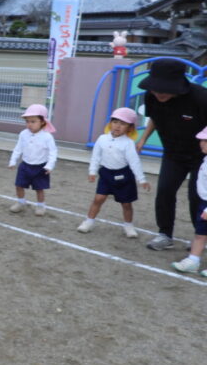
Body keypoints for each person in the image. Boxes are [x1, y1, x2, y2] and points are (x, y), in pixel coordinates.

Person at [134, 58, 207, 250]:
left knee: (197, 196)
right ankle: (165, 234)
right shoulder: (151, 96)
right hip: (173, 152)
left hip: (201, 156)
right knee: (165, 191)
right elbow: (154, 118)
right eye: (155, 89)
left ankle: (201, 237)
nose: (159, 93)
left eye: (164, 90)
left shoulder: (200, 98)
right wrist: (143, 139)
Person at [77, 107, 150, 237]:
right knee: (98, 199)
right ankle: (88, 221)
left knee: (126, 204)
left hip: (124, 176)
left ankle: (128, 226)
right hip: (106, 174)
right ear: (110, 123)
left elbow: (134, 162)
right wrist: (92, 171)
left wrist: (142, 179)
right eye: (115, 122)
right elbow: (96, 156)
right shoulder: (102, 139)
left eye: (123, 123)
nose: (117, 126)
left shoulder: (128, 143)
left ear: (130, 128)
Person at [8, 104, 58, 216]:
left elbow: (53, 152)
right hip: (25, 165)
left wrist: (50, 165)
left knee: (39, 189)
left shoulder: (47, 137)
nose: (29, 124)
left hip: (40, 167)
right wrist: (13, 160)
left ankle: (40, 205)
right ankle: (21, 202)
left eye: (33, 121)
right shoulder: (23, 134)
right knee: (19, 185)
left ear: (43, 122)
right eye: (27, 121)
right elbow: (18, 148)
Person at [171, 126, 207, 277]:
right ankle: (193, 260)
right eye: (202, 140)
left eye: (205, 141)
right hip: (204, 202)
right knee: (200, 234)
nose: (201, 143)